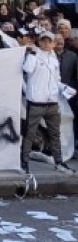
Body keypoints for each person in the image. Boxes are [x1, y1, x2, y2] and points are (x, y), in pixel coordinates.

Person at [21, 31, 75, 175]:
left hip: (52, 102)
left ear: (53, 43)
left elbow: (56, 79)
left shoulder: (54, 57)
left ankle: (59, 162)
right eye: (43, 40)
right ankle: (24, 162)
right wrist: (32, 54)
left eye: (49, 41)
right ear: (39, 42)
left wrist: (64, 88)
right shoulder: (33, 54)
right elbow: (27, 70)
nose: (46, 43)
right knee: (30, 134)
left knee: (55, 134)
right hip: (36, 102)